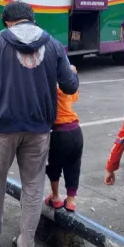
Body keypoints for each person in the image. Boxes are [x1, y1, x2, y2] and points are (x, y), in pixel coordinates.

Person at [0, 1, 78, 247]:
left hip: (2, 125)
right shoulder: (52, 43)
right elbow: (70, 85)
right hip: (39, 127)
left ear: (8, 21)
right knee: (33, 185)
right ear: (32, 19)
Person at [44, 64, 82, 212]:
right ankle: (71, 200)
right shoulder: (67, 91)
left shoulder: (49, 90)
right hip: (75, 131)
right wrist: (74, 73)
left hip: (58, 133)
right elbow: (75, 93)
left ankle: (55, 197)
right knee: (73, 165)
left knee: (54, 165)